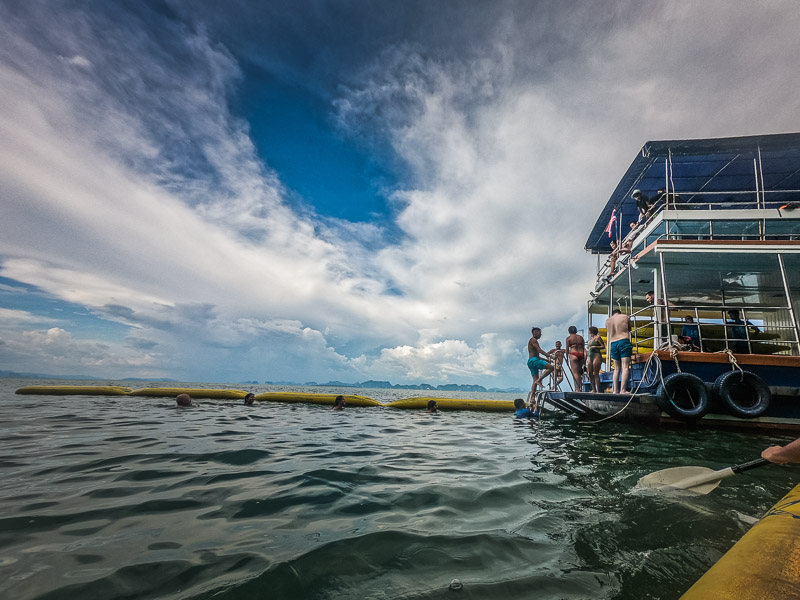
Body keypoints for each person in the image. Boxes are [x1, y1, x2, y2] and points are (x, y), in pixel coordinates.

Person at [605, 309, 632, 394]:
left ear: (612, 314)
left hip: (613, 343)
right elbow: (629, 329)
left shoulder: (608, 321)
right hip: (623, 341)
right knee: (625, 367)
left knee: (616, 369)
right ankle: (623, 390)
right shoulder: (625, 317)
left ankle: (615, 390)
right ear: (619, 313)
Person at [527, 327, 555, 394]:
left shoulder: (532, 341)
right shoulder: (533, 340)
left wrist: (545, 359)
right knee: (551, 367)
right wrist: (550, 356)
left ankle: (532, 398)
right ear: (535, 333)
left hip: (531, 361)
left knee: (534, 380)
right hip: (534, 360)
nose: (540, 335)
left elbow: (536, 355)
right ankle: (539, 380)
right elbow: (539, 350)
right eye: (540, 333)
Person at [565, 326, 586, 391]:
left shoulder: (569, 338)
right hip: (581, 354)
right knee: (579, 372)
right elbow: (583, 347)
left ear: (569, 331)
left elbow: (567, 350)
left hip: (574, 354)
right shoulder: (581, 338)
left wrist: (567, 359)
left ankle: (577, 389)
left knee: (575, 373)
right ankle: (580, 388)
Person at [586, 326, 605, 393]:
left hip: (596, 355)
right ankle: (593, 389)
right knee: (589, 372)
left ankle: (598, 390)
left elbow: (603, 346)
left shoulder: (598, 337)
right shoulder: (591, 339)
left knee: (596, 373)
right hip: (590, 355)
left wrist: (595, 346)